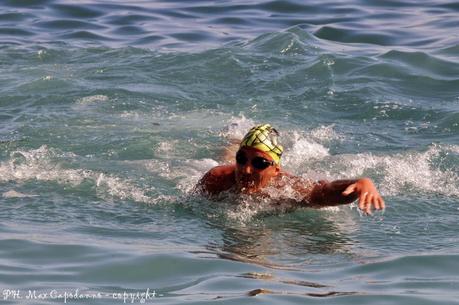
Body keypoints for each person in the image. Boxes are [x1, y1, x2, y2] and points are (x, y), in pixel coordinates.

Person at [197, 124, 385, 215]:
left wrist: (360, 183)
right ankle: (234, 140)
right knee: (226, 154)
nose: (246, 170)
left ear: (276, 169)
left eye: (259, 164)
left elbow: (324, 194)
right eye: (241, 159)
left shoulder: (289, 188)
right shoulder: (217, 178)